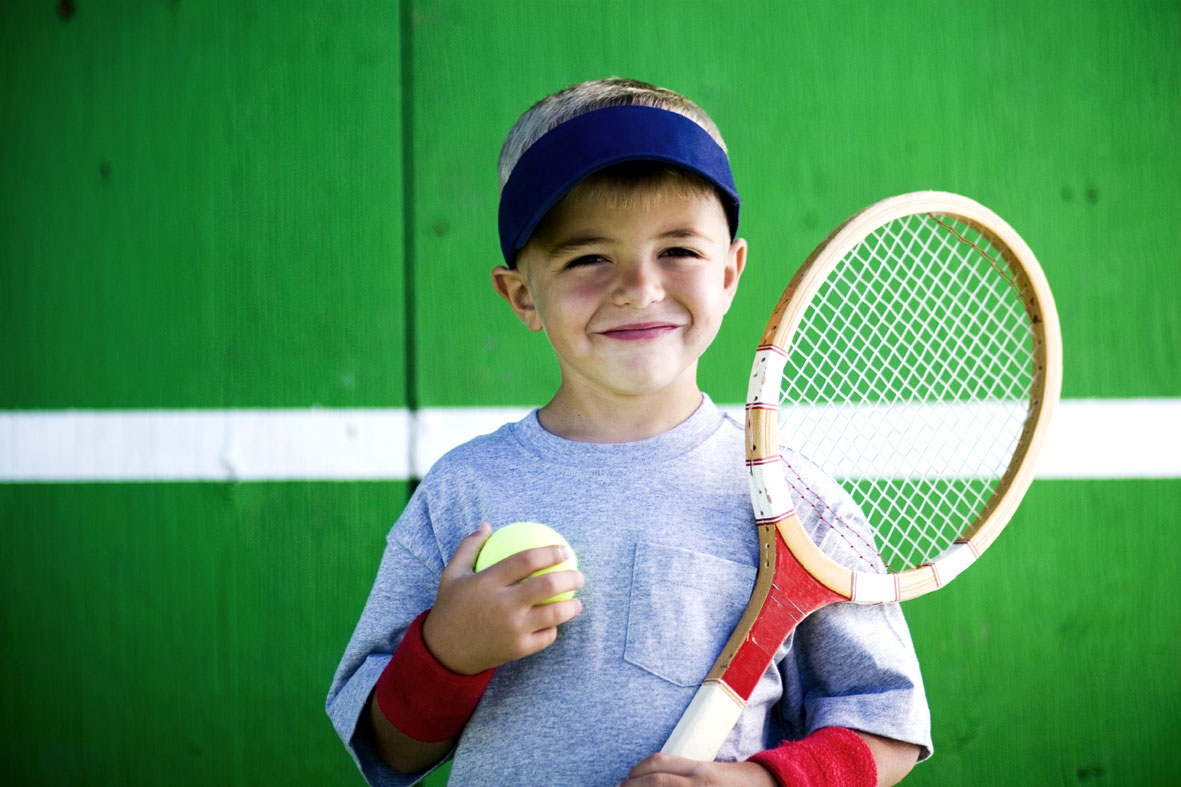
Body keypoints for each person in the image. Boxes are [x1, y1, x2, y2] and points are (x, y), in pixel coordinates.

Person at [327, 77, 931, 786]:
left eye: (677, 249)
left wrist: (761, 783)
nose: (639, 287)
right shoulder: (465, 489)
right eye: (588, 258)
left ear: (730, 273)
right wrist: (447, 652)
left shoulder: (793, 498)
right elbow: (387, 750)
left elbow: (884, 726)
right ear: (522, 295)